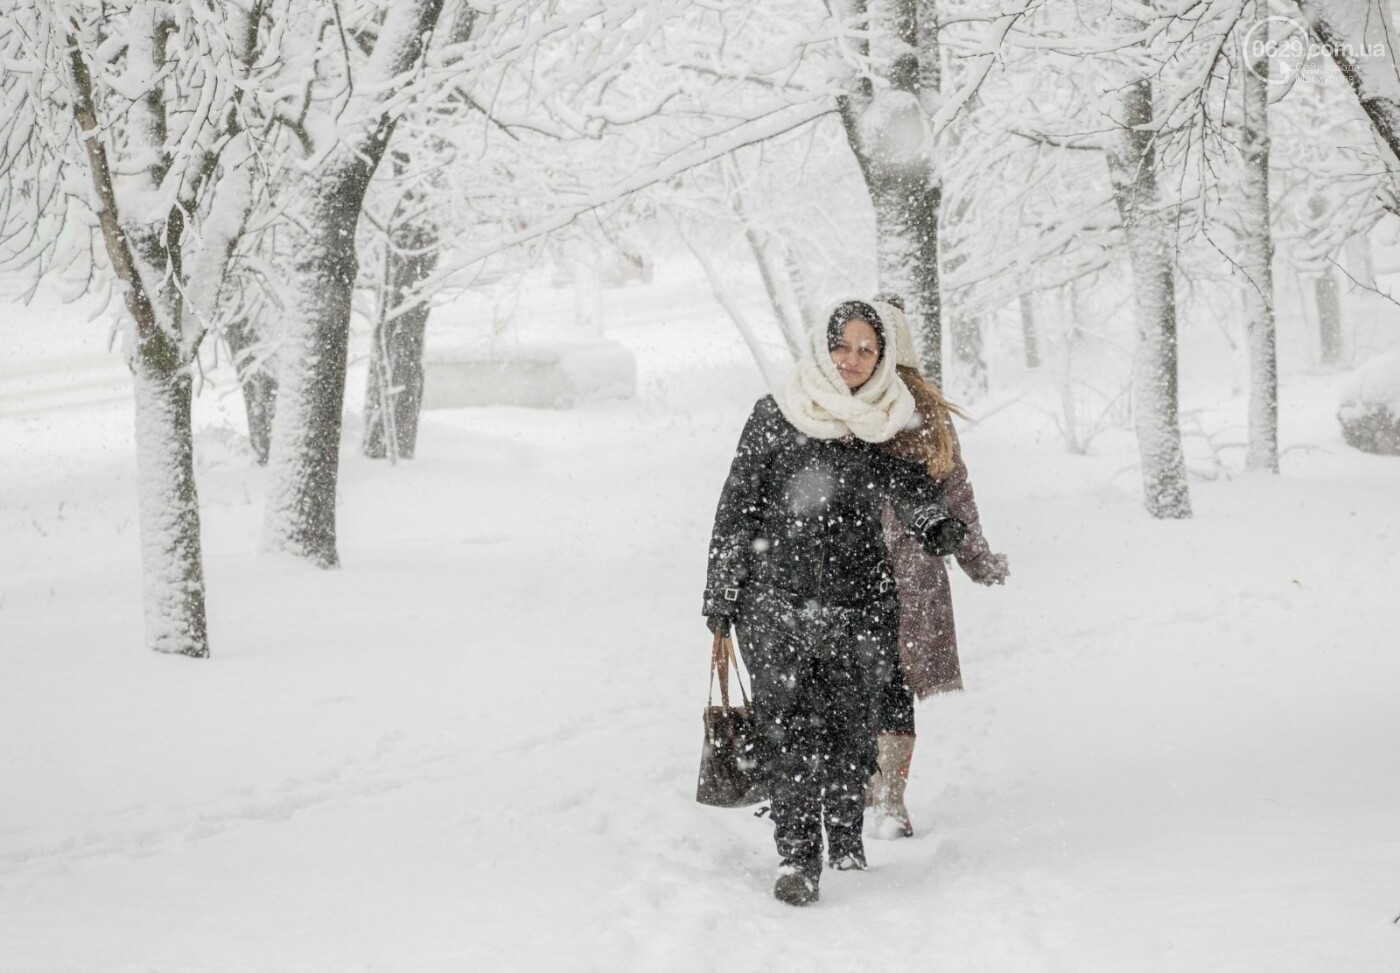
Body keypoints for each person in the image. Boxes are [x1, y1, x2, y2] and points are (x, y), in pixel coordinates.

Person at [703, 299, 967, 907]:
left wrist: (934, 523)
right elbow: (736, 505)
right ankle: (797, 857)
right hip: (775, 602)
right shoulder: (775, 414)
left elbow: (909, 487)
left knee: (850, 730)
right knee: (790, 727)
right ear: (822, 349)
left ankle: (846, 830)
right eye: (840, 347)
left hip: (862, 600)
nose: (850, 360)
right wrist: (722, 591)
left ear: (882, 359)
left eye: (865, 350)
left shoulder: (884, 419)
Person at [864, 296, 1010, 839]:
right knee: (889, 683)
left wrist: (976, 557)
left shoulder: (888, 407)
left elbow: (953, 492)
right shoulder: (914, 406)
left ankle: (876, 794)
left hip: (881, 571)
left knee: (868, 680)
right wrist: (977, 560)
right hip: (903, 574)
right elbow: (958, 492)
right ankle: (885, 800)